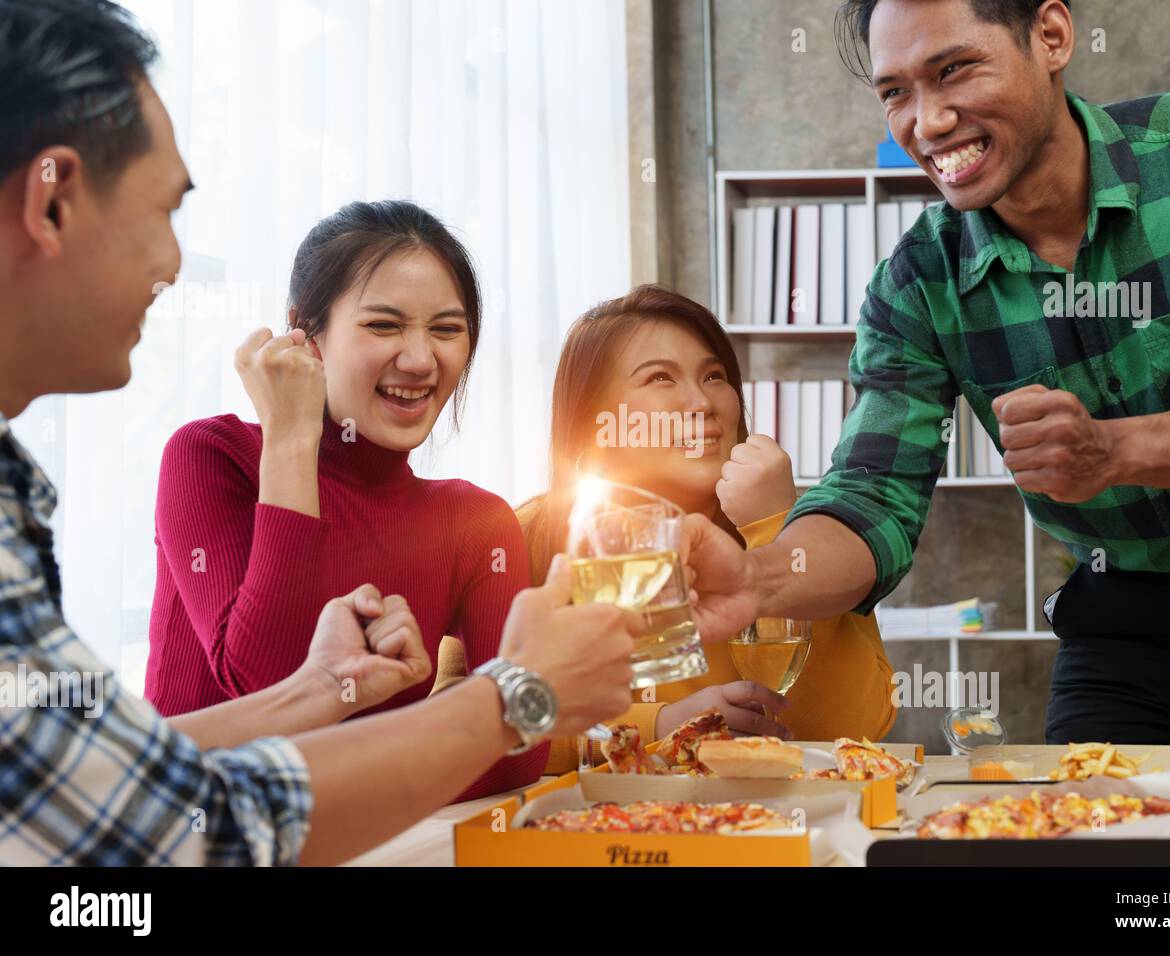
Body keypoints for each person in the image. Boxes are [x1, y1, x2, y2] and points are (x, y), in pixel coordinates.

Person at [0, 0, 634, 865]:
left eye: (447, 329)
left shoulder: (15, 494)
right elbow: (184, 809)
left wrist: (331, 693)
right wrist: (505, 698)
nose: (176, 265)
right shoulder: (213, 455)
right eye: (160, 211)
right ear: (53, 203)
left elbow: (126, 780)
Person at [680, 0, 1170, 750]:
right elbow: (873, 497)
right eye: (895, 93)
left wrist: (1113, 450)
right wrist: (759, 580)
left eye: (954, 70)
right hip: (1127, 633)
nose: (928, 122)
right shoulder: (915, 285)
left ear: (1051, 36)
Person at [145, 198, 546, 799]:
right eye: (383, 325)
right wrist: (291, 440)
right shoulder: (211, 456)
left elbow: (517, 750)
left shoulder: (474, 522)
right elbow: (265, 690)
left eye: (446, 329)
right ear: (306, 333)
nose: (419, 359)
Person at [438, 285, 897, 769]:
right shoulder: (516, 538)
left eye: (715, 376)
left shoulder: (808, 535)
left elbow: (856, 724)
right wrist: (658, 724)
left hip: (761, 828)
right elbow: (455, 727)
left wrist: (775, 530)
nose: (702, 402)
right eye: (660, 378)